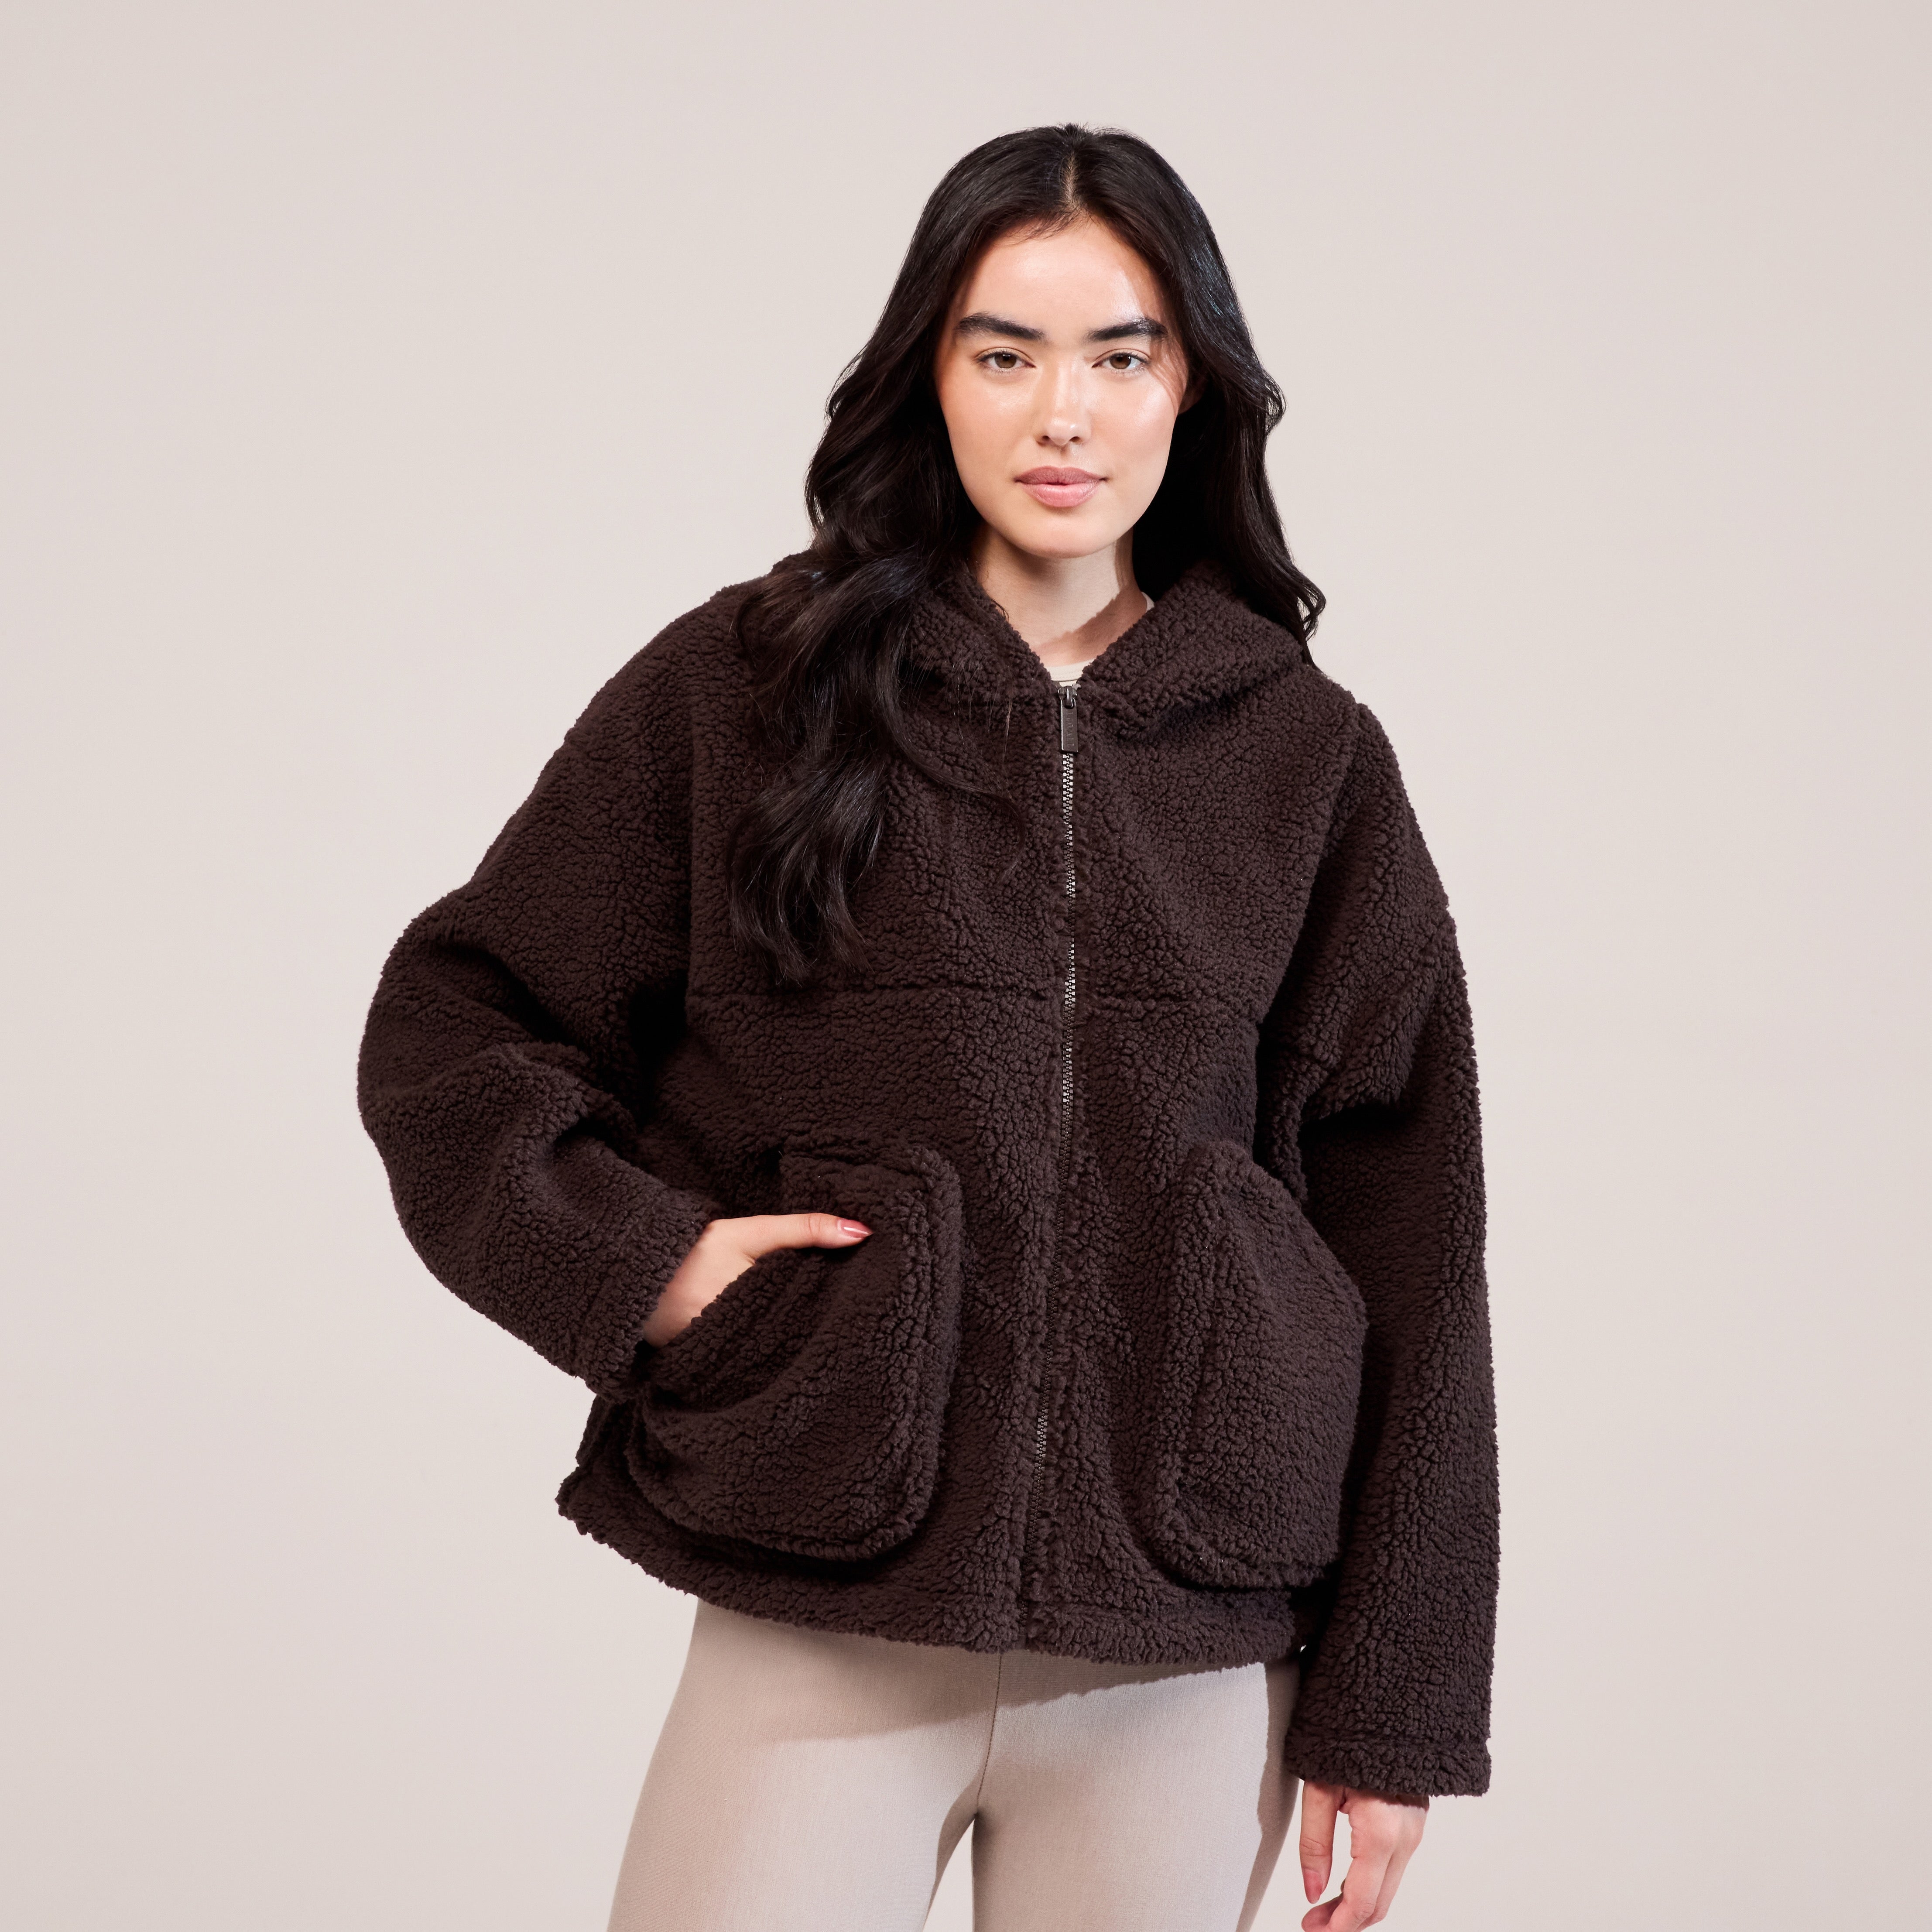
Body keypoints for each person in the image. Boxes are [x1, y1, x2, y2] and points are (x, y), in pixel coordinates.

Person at [357, 123, 1498, 1932]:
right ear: (933, 378)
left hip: (1185, 1649)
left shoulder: (1310, 759)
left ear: (1192, 386)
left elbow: (1413, 1240)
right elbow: (457, 1023)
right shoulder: (750, 685)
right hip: (823, 1601)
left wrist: (1396, 1701)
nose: (1064, 414)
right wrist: (651, 1268)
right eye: (1004, 353)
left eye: (1119, 355)